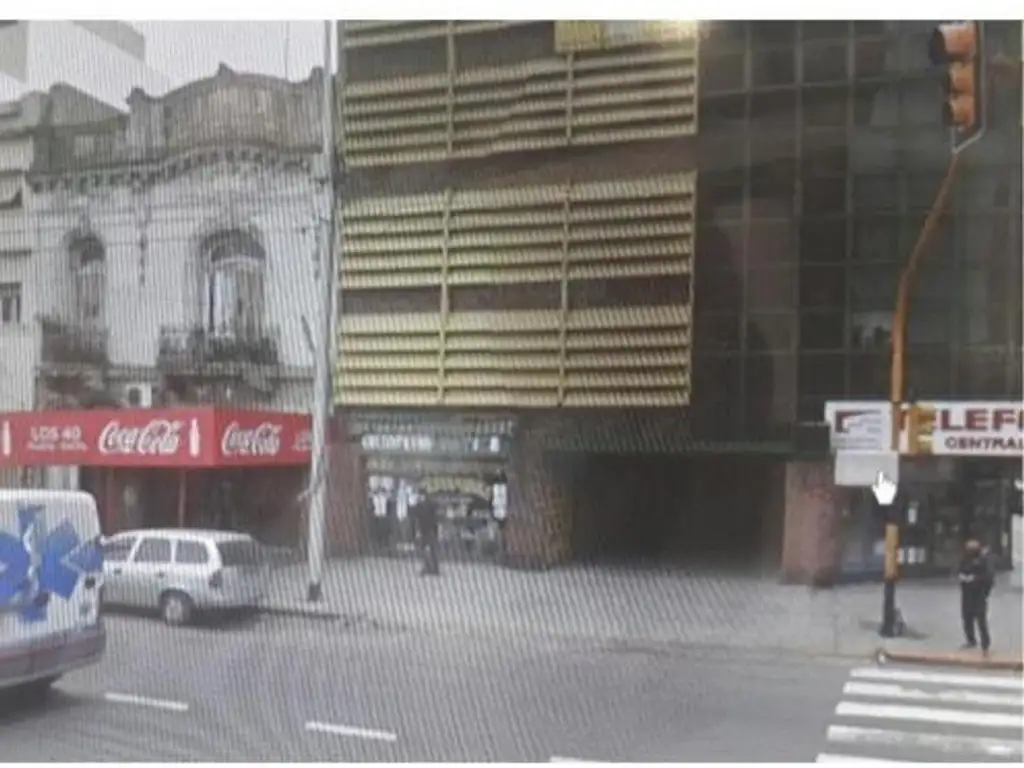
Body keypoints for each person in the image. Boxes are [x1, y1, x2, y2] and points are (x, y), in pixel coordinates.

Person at [957, 538, 994, 654]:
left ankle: (985, 644)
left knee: (981, 619)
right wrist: (962, 577)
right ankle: (971, 640)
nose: (969, 551)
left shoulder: (983, 560)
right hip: (967, 594)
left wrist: (974, 579)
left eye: (972, 549)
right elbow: (960, 570)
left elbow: (988, 578)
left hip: (979, 594)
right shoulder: (965, 559)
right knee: (967, 618)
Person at [412, 489, 440, 576]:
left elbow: (418, 519)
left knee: (424, 549)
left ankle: (429, 567)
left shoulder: (421, 505)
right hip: (429, 529)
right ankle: (433, 568)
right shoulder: (430, 504)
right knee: (431, 549)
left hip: (426, 529)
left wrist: (418, 530)